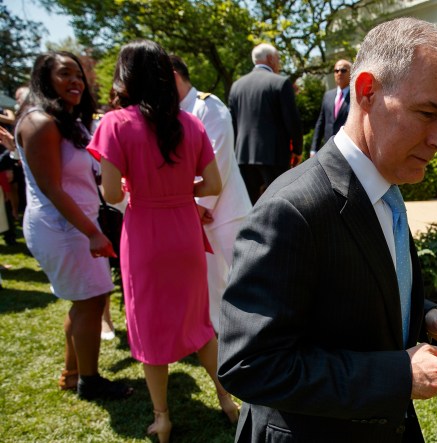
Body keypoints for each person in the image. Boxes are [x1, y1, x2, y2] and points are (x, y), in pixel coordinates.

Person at [218, 17, 437, 442]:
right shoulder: (292, 208)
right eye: (428, 113)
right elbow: (250, 364)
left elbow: (360, 284)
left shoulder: (385, 186)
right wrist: (398, 374)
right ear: (366, 91)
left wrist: (425, 312)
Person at [89, 40, 238, 443]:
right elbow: (213, 183)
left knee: (149, 329)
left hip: (145, 235)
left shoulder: (115, 124)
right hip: (185, 232)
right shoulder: (191, 123)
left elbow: (112, 196)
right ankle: (227, 400)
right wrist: (177, 190)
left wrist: (138, 185)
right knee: (200, 324)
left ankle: (163, 418)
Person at [14, 51, 133, 400]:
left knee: (88, 299)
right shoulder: (39, 123)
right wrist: (93, 232)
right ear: (44, 79)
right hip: (62, 228)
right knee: (91, 300)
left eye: (79, 74)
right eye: (65, 74)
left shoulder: (68, 121)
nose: (76, 81)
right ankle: (90, 381)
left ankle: (73, 372)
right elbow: (52, 188)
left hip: (79, 224)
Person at [170, 54, 251, 332]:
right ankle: (221, 337)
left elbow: (220, 159)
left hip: (227, 211)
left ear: (173, 76)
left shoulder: (208, 105)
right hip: (195, 215)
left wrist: (200, 204)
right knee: (210, 284)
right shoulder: (171, 115)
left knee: (245, 277)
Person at [228, 43, 303, 204]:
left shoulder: (236, 86)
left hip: (244, 156)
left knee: (250, 206)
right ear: (270, 59)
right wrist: (297, 150)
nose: (279, 63)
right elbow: (292, 121)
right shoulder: (281, 83)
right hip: (274, 155)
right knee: (278, 203)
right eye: (278, 59)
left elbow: (232, 124)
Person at [309, 59, 352, 157]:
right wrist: (313, 149)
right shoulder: (328, 95)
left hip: (347, 150)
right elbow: (321, 122)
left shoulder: (355, 96)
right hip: (328, 149)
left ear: (351, 72)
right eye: (336, 71)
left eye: (343, 70)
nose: (339, 73)